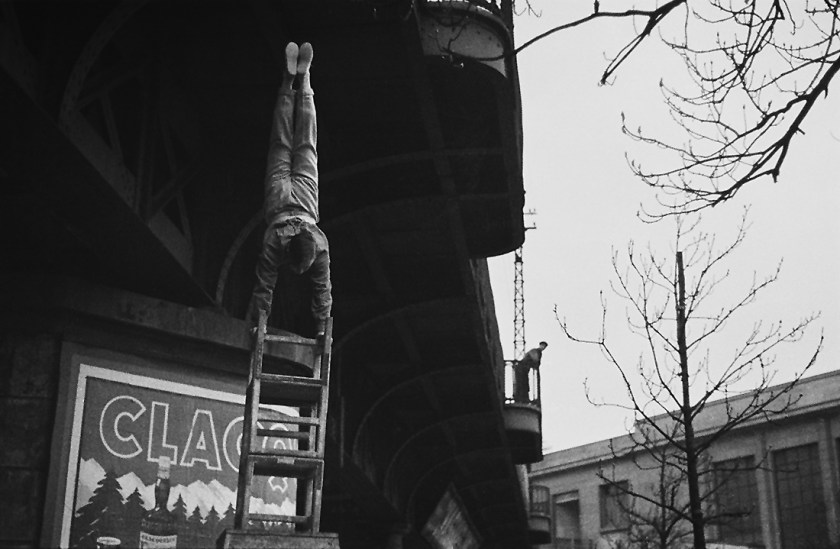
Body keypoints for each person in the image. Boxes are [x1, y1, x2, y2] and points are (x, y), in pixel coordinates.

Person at [250, 42, 332, 336]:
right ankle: (291, 81)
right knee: (281, 139)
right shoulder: (274, 243)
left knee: (306, 141)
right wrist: (260, 321)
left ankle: (305, 77)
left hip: (307, 202)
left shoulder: (320, 245)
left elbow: (324, 291)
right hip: (278, 198)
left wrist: (324, 326)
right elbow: (265, 285)